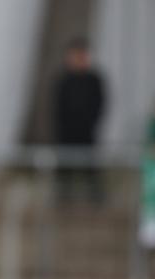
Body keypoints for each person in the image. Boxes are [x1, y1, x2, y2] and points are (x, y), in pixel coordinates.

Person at [52, 38, 106, 203]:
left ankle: (95, 196)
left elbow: (100, 103)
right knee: (65, 167)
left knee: (90, 165)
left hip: (88, 130)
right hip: (67, 131)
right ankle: (63, 197)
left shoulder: (94, 79)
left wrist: (92, 121)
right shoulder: (63, 79)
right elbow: (57, 107)